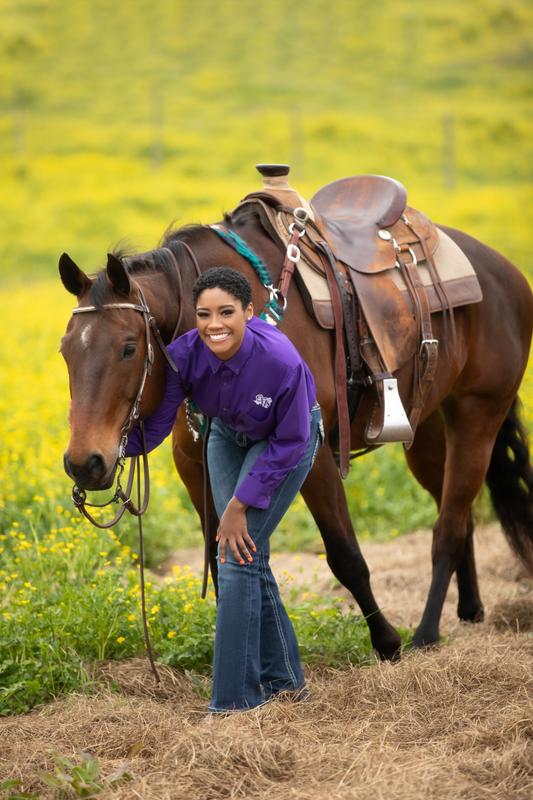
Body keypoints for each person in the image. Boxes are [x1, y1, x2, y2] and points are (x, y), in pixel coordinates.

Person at [125, 267, 323, 713]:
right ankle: (286, 682)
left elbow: (290, 440)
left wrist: (239, 504)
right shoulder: (185, 355)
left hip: (284, 442)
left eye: (227, 312)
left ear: (250, 313)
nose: (214, 324)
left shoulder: (280, 359)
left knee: (233, 556)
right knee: (249, 556)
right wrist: (115, 451)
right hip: (225, 436)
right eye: (204, 314)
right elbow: (159, 424)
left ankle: (234, 704)